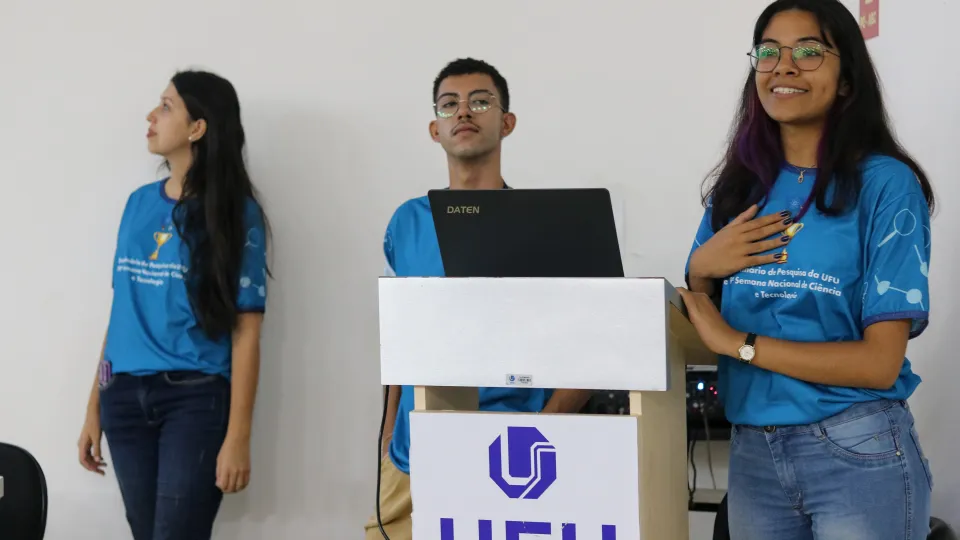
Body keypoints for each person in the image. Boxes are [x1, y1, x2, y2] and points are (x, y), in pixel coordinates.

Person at [677, 1, 935, 539]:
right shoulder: (739, 189)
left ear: (846, 81)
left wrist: (741, 343)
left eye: (809, 52)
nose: (784, 66)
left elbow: (879, 364)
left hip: (855, 446)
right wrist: (700, 271)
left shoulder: (886, 185)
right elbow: (701, 333)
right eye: (768, 52)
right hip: (753, 456)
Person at [363, 58, 592, 540]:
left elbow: (588, 350)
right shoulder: (406, 223)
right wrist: (387, 438)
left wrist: (541, 431)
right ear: (434, 128)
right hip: (412, 460)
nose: (464, 112)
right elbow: (398, 340)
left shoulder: (546, 226)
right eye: (450, 105)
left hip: (509, 459)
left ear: (507, 122)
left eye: (480, 102)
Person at [76, 70, 270, 540]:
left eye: (165, 106)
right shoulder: (138, 205)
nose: (150, 115)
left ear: (197, 128)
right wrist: (93, 406)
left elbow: (247, 330)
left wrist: (238, 437)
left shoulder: (236, 214)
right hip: (121, 397)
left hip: (195, 398)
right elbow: (121, 313)